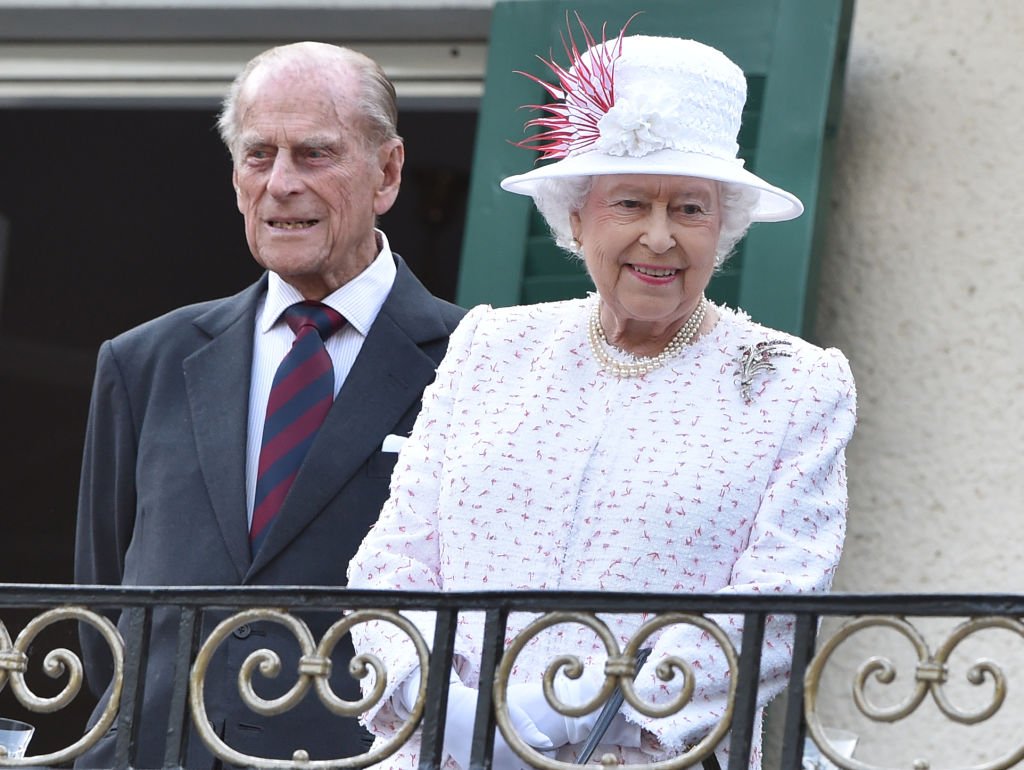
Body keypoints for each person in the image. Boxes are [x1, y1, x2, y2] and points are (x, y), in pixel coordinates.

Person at [347, 17, 856, 770]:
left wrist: (590, 715)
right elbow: (392, 563)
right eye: (630, 204)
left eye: (690, 208)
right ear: (577, 215)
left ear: (725, 228)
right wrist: (445, 707)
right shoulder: (490, 346)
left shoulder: (797, 382)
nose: (659, 238)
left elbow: (777, 601)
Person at [73, 41, 466, 768]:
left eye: (315, 154)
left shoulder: (477, 361)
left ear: (387, 172)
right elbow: (101, 608)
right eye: (259, 156)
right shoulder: (141, 363)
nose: (281, 183)